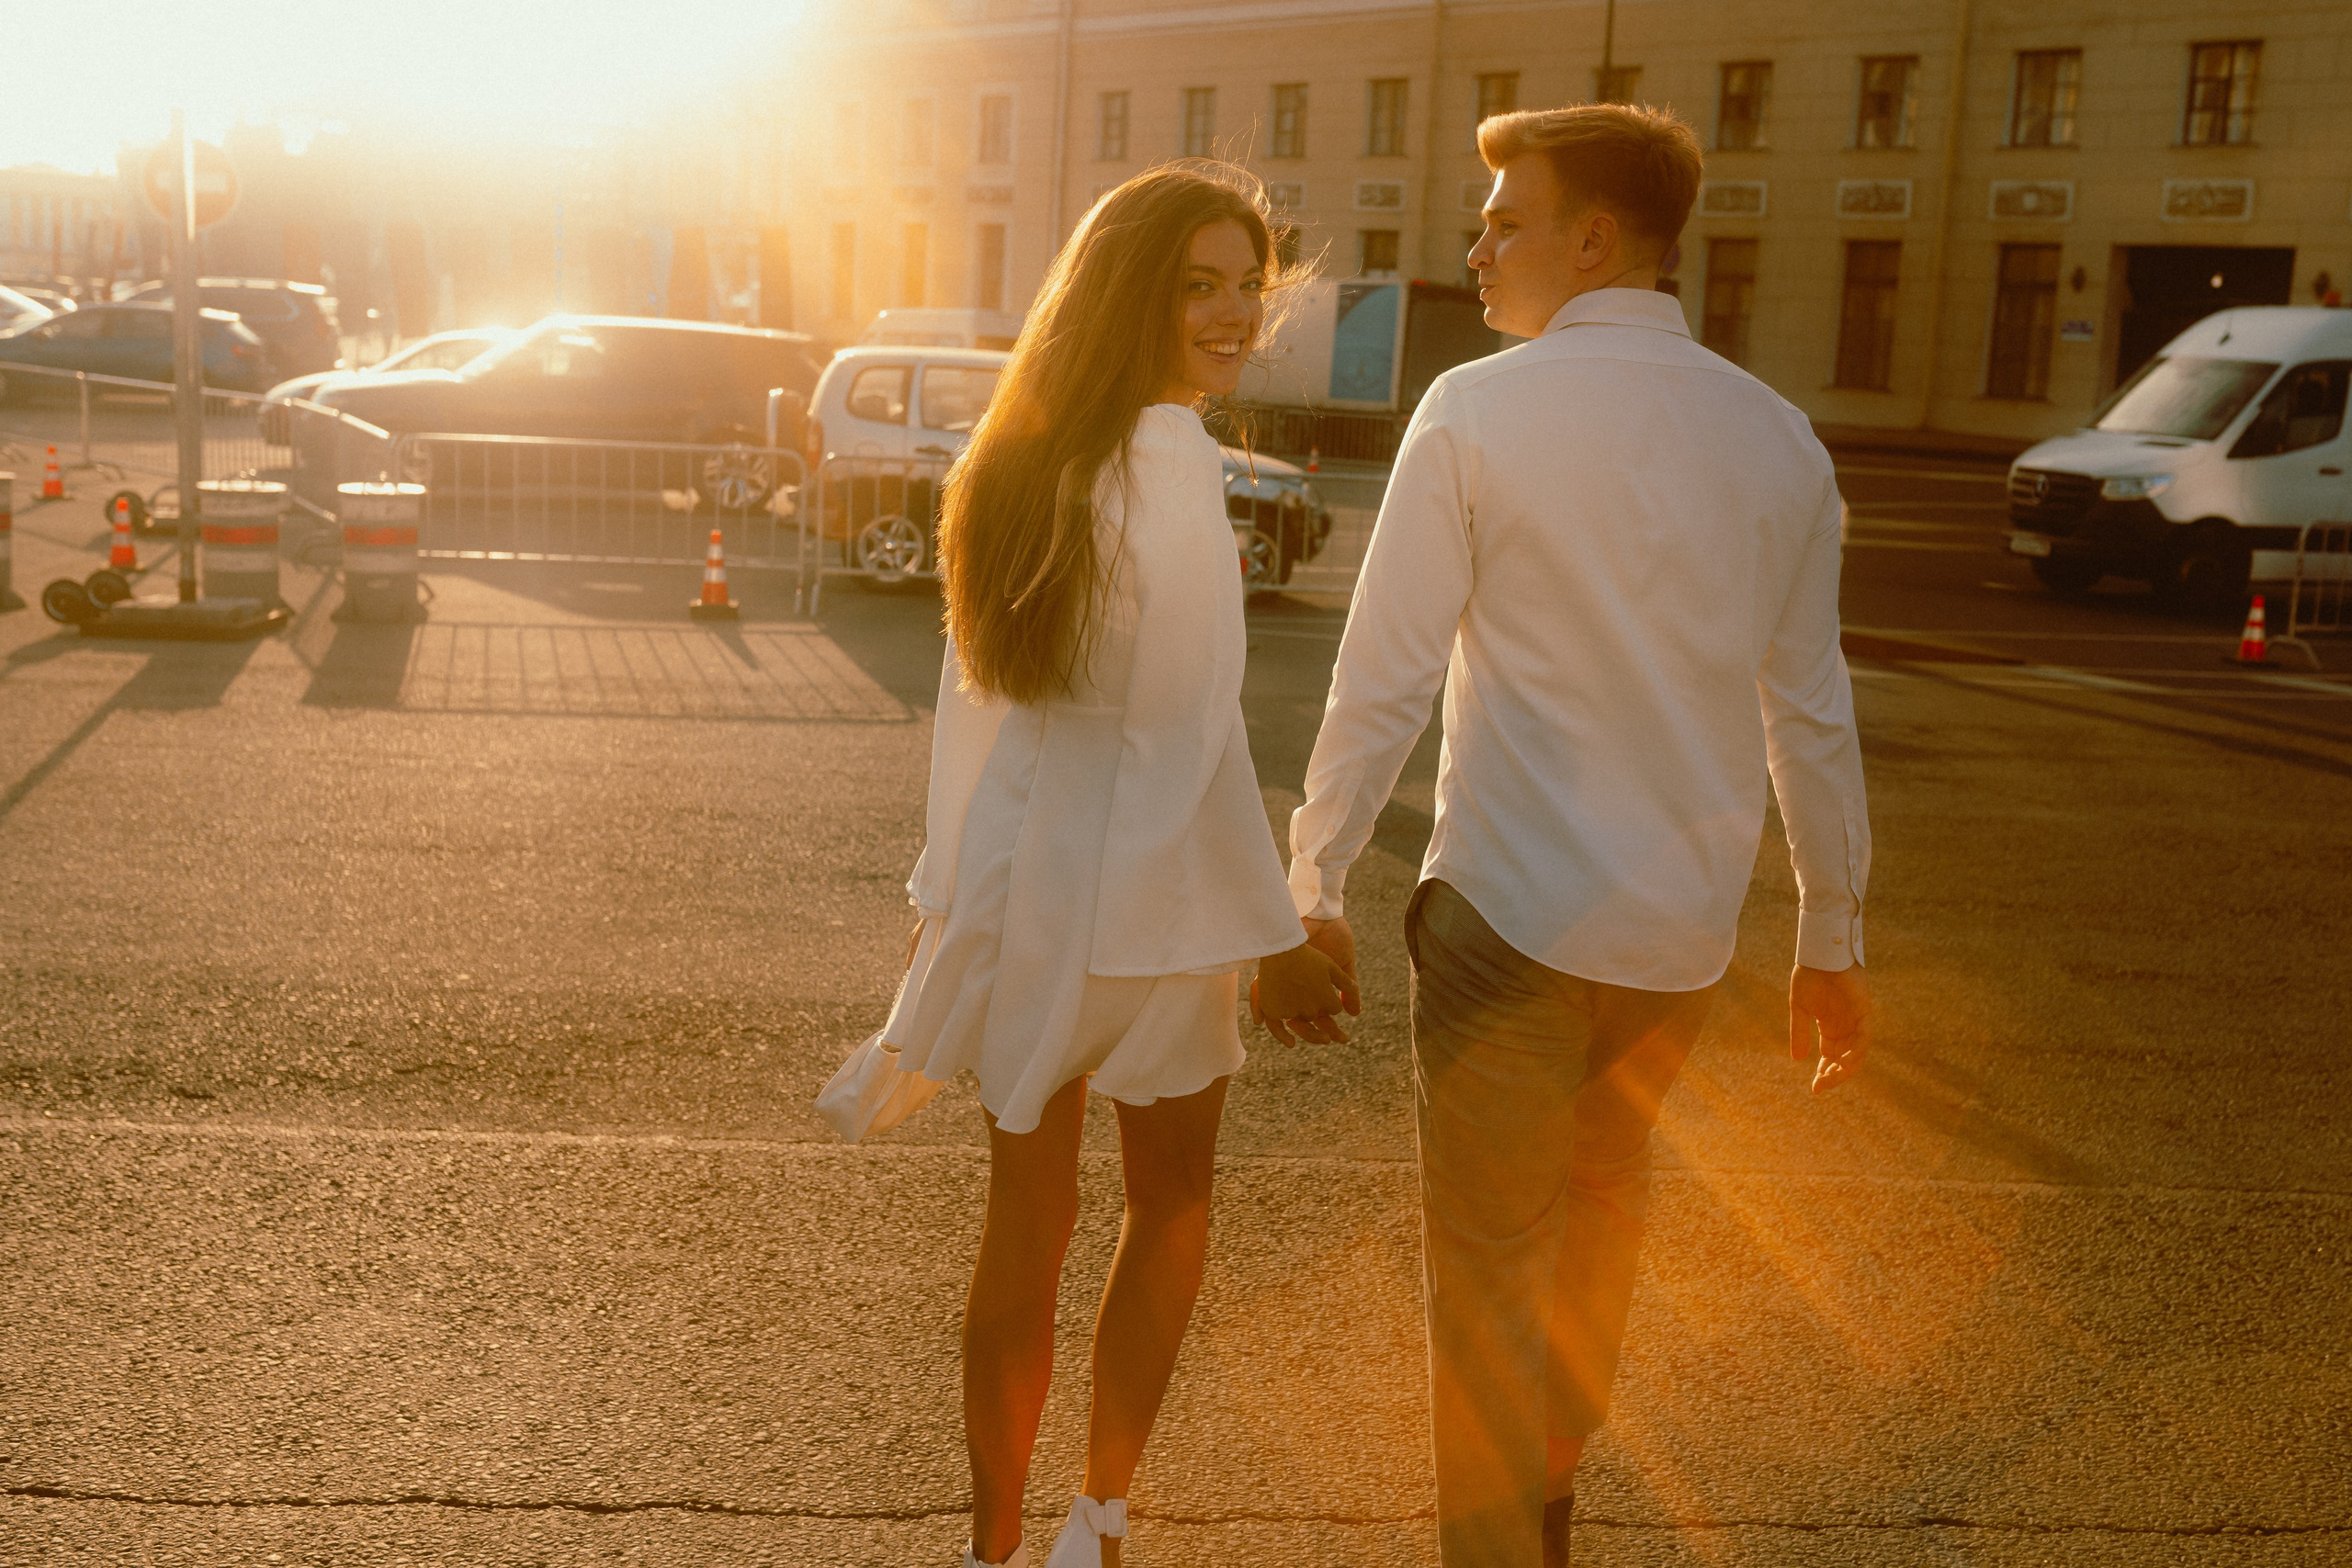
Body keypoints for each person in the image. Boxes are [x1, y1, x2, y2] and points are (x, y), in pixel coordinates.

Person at [1257, 104, 1874, 1566]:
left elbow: (1385, 675)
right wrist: (1831, 934)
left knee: (1487, 1276)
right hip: (1676, 948)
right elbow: (1810, 709)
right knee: (1600, 1229)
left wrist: (1314, 879)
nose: (1477, 250)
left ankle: (1509, 1543)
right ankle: (1548, 1510)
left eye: (1504, 222)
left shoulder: (1477, 410)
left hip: (1509, 923)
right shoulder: (1779, 439)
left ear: (1593, 240)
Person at [877, 165, 1356, 1568]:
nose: (1234, 313)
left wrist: (942, 899)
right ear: (1129, 291)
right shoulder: (1176, 457)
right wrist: (1273, 935)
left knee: (1026, 1221)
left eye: (1246, 284)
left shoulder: (1017, 453)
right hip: (1158, 888)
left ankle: (992, 1544)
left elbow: (975, 708)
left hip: (1030, 873)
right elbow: (1198, 734)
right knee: (1171, 1203)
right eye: (1199, 284)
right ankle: (1096, 1518)